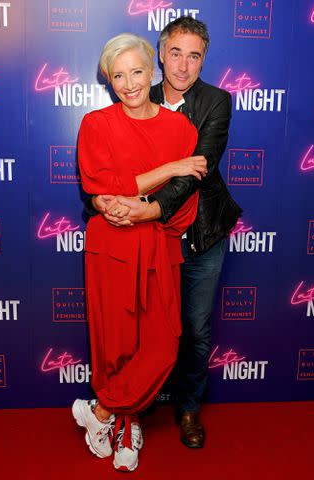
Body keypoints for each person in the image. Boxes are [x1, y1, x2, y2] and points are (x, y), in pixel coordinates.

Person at [86, 17, 242, 449]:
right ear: (159, 56)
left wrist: (142, 210)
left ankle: (189, 407)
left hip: (202, 228)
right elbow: (110, 174)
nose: (184, 65)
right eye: (176, 53)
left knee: (192, 328)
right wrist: (101, 201)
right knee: (136, 331)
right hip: (150, 240)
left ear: (204, 60)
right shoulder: (138, 92)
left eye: (194, 56)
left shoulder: (216, 102)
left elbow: (193, 174)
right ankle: (130, 413)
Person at [72, 33, 207, 472]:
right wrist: (168, 169)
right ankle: (127, 426)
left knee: (163, 345)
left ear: (153, 71)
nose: (129, 83)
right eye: (118, 75)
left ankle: (100, 412)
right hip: (110, 247)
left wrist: (140, 209)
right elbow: (101, 189)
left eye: (136, 71)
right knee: (116, 346)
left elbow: (183, 207)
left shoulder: (181, 129)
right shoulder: (95, 124)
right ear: (108, 80)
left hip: (158, 245)